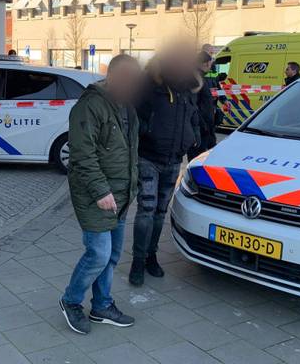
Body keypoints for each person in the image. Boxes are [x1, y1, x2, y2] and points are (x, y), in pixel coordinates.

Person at [60, 54, 145, 335]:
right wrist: (100, 191)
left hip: (120, 194)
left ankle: (102, 306)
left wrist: (133, 185)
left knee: (112, 255)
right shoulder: (90, 106)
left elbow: (129, 150)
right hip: (97, 195)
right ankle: (71, 300)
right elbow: (82, 155)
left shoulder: (126, 107)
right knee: (98, 254)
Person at [130, 46, 200, 287]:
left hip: (173, 160)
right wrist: (146, 133)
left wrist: (194, 139)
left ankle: (151, 256)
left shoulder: (187, 89)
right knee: (146, 211)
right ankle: (137, 262)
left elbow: (194, 118)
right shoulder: (148, 87)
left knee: (160, 212)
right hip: (148, 158)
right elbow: (133, 118)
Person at [188, 51, 218, 160]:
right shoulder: (195, 79)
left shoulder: (201, 77)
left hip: (207, 127)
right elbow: (194, 105)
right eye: (210, 64)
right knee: (198, 158)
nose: (210, 67)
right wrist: (203, 125)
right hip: (201, 128)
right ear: (205, 64)